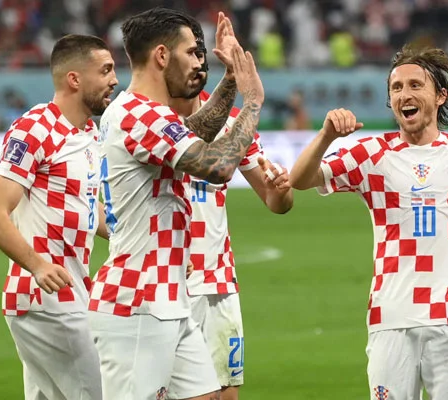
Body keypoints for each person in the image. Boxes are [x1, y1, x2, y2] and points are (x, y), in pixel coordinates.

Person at [290, 45, 448, 400]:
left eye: (415, 85)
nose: (404, 95)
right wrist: (326, 136)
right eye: (396, 88)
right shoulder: (371, 154)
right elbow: (300, 179)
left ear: (441, 96)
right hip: (392, 316)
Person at [88, 8, 265, 399]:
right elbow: (217, 166)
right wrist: (252, 102)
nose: (199, 62)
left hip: (169, 296)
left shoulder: (139, 113)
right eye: (190, 52)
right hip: (137, 301)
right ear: (162, 56)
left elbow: (193, 132)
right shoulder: (140, 114)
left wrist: (230, 80)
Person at [0, 34, 117, 400]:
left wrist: (139, 240)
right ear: (74, 79)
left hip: (71, 294)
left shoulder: (90, 133)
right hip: (45, 299)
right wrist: (38, 265)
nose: (114, 80)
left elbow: (88, 208)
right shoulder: (35, 128)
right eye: (105, 70)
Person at [169, 20, 293, 400]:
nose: (197, 63)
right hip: (168, 281)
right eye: (189, 54)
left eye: (200, 54)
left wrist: (281, 189)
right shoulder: (152, 120)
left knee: (225, 394)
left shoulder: (232, 122)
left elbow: (275, 201)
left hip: (218, 283)